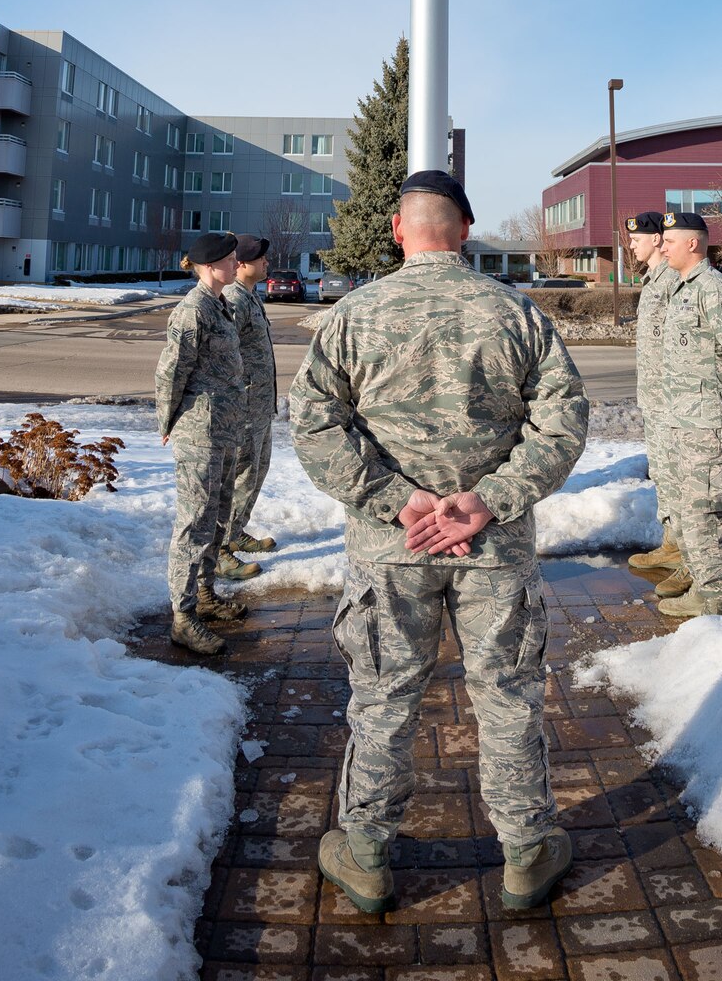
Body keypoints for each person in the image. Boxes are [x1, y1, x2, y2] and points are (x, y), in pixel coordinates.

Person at [290, 169, 589, 917]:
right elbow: (562, 422)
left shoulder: (352, 315)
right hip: (493, 547)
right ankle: (526, 854)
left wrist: (401, 504)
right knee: (507, 694)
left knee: (384, 697)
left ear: (399, 229)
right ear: (465, 229)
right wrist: (486, 502)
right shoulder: (516, 313)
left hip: (392, 551)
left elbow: (315, 425)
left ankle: (365, 855)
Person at [651, 210, 722, 618]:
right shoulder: (683, 287)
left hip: (708, 422)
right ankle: (701, 583)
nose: (663, 247)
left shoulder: (713, 288)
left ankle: (713, 598)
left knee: (704, 512)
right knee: (688, 509)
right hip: (683, 420)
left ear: (692, 244)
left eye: (670, 241)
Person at [155, 230, 249, 655]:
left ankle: (206, 595)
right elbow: (171, 372)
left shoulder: (220, 305)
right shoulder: (192, 311)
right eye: (230, 260)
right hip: (200, 433)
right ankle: (183, 616)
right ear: (211, 267)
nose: (236, 264)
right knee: (194, 522)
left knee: (216, 517)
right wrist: (167, 419)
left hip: (225, 431)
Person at [623, 210, 684, 576]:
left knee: (675, 473)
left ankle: (684, 551)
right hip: (655, 397)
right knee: (662, 472)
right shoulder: (653, 280)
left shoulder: (671, 282)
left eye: (637, 239)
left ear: (657, 240)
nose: (631, 244)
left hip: (671, 399)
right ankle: (671, 544)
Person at [215, 232, 279, 576]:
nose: (267, 263)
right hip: (242, 408)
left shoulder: (251, 297)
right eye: (260, 259)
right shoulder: (234, 301)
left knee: (255, 471)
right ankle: (221, 550)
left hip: (259, 407)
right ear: (240, 264)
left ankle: (236, 532)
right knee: (238, 477)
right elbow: (224, 357)